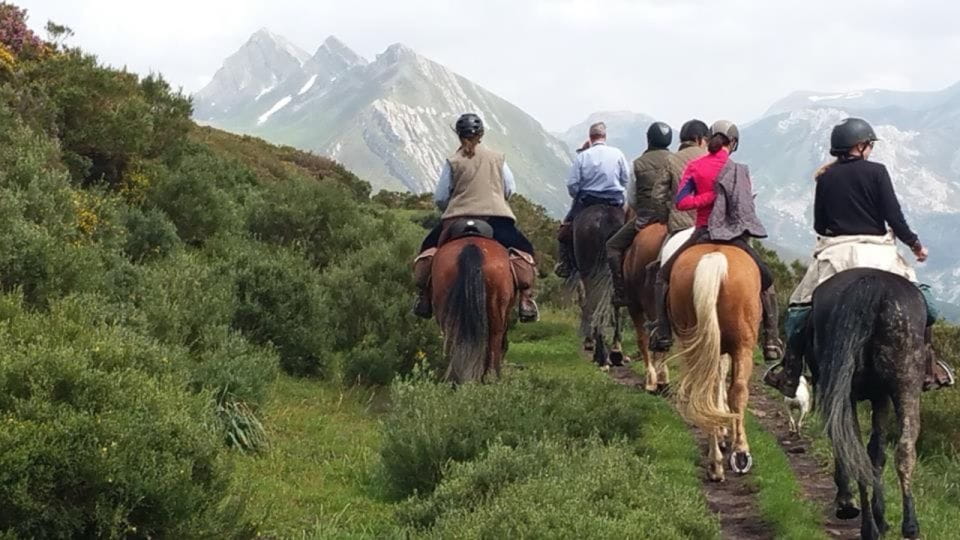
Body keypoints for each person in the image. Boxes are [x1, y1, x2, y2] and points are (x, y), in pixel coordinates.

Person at [764, 117, 955, 396]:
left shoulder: (825, 177)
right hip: (878, 252)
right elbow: (894, 215)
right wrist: (914, 244)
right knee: (927, 307)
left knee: (798, 311)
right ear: (861, 145)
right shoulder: (877, 172)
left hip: (836, 254)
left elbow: (819, 224)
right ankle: (930, 367)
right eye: (869, 145)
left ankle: (791, 373)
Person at [650, 120, 784, 361]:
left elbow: (681, 202)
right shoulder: (739, 170)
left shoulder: (695, 166)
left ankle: (663, 332)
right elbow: (745, 208)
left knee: (662, 276)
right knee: (767, 281)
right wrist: (719, 197)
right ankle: (771, 339)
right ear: (733, 143)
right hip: (733, 236)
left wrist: (706, 198)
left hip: (701, 232)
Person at [412, 113, 539, 322]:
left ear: (459, 135)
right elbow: (510, 188)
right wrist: (497, 199)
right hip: (495, 218)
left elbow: (441, 197)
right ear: (481, 135)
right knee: (525, 250)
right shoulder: (497, 158)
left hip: (456, 219)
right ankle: (526, 299)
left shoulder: (452, 161)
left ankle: (424, 297)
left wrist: (453, 206)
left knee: (427, 248)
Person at [604, 121, 687, 306]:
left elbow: (632, 199)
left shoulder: (638, 163)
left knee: (612, 246)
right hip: (674, 217)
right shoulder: (676, 160)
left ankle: (620, 293)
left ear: (649, 139)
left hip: (646, 218)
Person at [554, 122, 631, 278]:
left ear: (590, 137)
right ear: (604, 136)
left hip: (587, 201)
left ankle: (565, 264)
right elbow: (625, 179)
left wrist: (577, 193)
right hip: (614, 201)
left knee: (564, 230)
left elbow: (572, 184)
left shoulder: (583, 156)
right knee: (631, 229)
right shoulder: (617, 154)